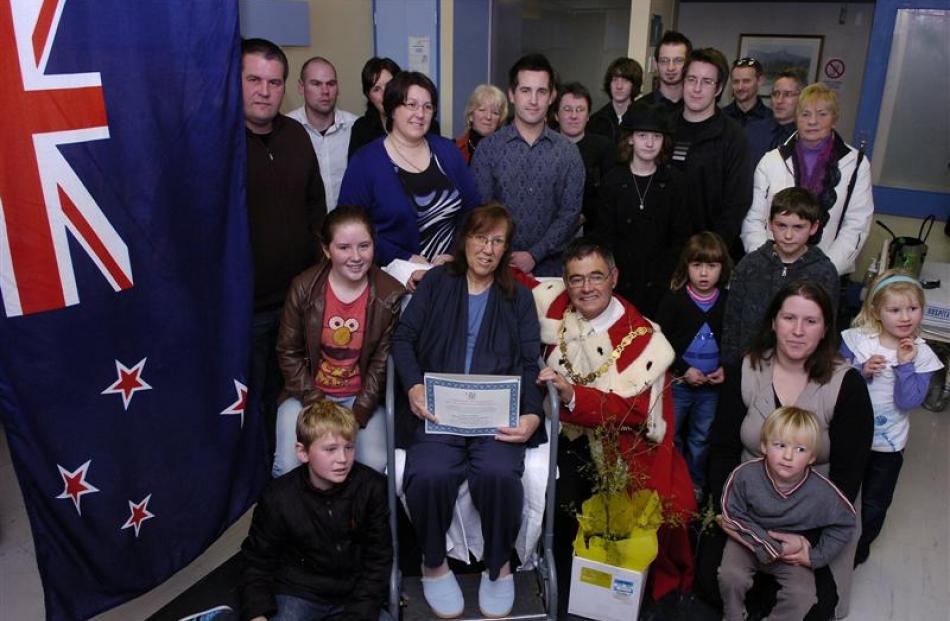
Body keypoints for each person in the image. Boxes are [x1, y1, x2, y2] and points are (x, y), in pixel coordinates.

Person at [390, 203, 545, 619]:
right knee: (428, 474)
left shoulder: (519, 297)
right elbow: (403, 340)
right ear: (465, 240)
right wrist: (414, 385)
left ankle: (499, 567)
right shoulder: (439, 282)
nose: (488, 249)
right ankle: (434, 564)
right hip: (440, 414)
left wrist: (531, 416)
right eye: (481, 237)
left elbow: (533, 363)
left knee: (497, 473)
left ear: (506, 248)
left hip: (496, 418)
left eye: (498, 241)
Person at [532, 238, 696, 615]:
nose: (586, 288)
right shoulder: (553, 305)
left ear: (614, 278)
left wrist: (573, 396)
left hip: (620, 445)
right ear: (565, 281)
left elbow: (638, 414)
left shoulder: (642, 338)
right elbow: (505, 276)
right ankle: (557, 592)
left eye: (596, 277)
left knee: (637, 512)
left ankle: (603, 600)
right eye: (576, 280)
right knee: (549, 495)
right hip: (559, 432)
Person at [698, 280, 873, 620]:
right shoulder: (748, 368)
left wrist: (808, 539)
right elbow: (722, 448)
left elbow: (850, 472)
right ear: (773, 322)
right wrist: (729, 509)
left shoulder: (846, 384)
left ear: (825, 329)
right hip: (747, 505)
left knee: (815, 606)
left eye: (810, 321)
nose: (797, 331)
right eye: (789, 318)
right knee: (711, 584)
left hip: (814, 511)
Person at [273, 206, 406, 477]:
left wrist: (356, 415)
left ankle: (356, 520)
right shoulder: (304, 287)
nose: (356, 257)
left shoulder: (390, 294)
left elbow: (382, 365)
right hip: (307, 395)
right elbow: (288, 351)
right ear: (326, 250)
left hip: (361, 400)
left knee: (372, 467)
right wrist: (317, 403)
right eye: (344, 247)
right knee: (287, 466)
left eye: (364, 246)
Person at [243, 38, 327, 451]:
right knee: (252, 401)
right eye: (254, 79)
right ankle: (261, 484)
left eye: (274, 82)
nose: (264, 90)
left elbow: (317, 210)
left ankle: (290, 473)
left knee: (295, 397)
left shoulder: (296, 136)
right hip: (246, 309)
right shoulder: (218, 144)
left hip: (299, 300)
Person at [240, 401, 392, 621]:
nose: (342, 459)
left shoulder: (371, 487)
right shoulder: (278, 496)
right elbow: (257, 560)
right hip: (301, 593)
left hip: (356, 593)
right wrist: (257, 613)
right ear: (303, 452)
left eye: (349, 447)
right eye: (330, 449)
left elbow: (378, 560)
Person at [338, 71, 480, 289]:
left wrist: (455, 253)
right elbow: (349, 229)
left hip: (451, 275)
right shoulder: (365, 163)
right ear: (392, 109)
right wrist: (404, 258)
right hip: (394, 282)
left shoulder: (447, 151)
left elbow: (473, 209)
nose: (420, 114)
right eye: (411, 105)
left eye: (428, 106)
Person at [840, 271, 943, 565]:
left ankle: (859, 548)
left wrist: (904, 366)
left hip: (888, 446)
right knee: (843, 489)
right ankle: (833, 540)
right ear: (876, 310)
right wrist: (861, 372)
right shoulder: (858, 341)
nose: (905, 317)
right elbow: (834, 383)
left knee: (875, 501)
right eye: (894, 309)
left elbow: (908, 401)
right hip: (850, 437)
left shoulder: (921, 353)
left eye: (913, 308)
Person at [718, 407, 857, 621]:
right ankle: (733, 616)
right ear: (764, 446)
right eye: (780, 445)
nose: (788, 456)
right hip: (748, 540)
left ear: (812, 457)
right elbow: (731, 511)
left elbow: (846, 522)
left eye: (800, 449)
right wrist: (765, 543)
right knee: (730, 576)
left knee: (804, 596)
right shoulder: (745, 475)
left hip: (789, 554)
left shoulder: (822, 492)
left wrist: (814, 556)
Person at [741, 83, 873, 276]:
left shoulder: (856, 164)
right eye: (805, 114)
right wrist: (769, 264)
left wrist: (825, 270)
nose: (813, 121)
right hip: (771, 271)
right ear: (796, 118)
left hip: (826, 273)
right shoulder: (771, 161)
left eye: (822, 114)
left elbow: (856, 225)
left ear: (834, 119)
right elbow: (753, 219)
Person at [471, 53, 585, 277]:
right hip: (496, 267)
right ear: (512, 95)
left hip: (552, 271)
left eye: (541, 91)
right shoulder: (488, 149)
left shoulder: (568, 153)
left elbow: (570, 214)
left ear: (552, 96)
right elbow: (482, 211)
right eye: (525, 90)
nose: (533, 100)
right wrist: (506, 256)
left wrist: (534, 255)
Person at [721, 187, 839, 366]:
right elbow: (731, 321)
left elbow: (828, 327)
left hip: (802, 369)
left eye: (798, 227)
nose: (788, 235)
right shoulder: (750, 265)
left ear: (814, 227)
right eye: (781, 225)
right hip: (750, 364)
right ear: (770, 224)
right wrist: (729, 366)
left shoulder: (824, 272)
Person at [592, 102, 689, 317]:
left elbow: (680, 237)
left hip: (662, 284)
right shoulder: (613, 181)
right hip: (620, 282)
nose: (649, 143)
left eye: (656, 137)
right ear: (630, 138)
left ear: (664, 142)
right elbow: (604, 236)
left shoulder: (675, 182)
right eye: (643, 135)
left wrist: (671, 276)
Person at [655, 231, 732, 500]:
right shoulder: (674, 299)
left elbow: (731, 340)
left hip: (711, 387)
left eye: (711, 266)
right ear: (686, 266)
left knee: (701, 438)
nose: (703, 273)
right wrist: (683, 369)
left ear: (722, 269)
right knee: (672, 435)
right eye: (697, 265)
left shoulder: (726, 301)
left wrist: (725, 367)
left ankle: (696, 484)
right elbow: (660, 341)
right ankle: (671, 482)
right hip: (679, 384)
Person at [670, 48, 752, 251]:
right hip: (663, 250)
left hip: (710, 254)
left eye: (706, 82)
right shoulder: (664, 128)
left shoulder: (733, 137)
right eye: (691, 79)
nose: (696, 89)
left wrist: (711, 253)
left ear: (718, 89)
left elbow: (736, 203)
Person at [287, 56, 358, 211]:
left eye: (331, 84)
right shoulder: (286, 130)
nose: (325, 91)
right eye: (316, 84)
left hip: (346, 226)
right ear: (301, 87)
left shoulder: (355, 128)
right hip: (304, 228)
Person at [554, 82, 615, 232]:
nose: (574, 116)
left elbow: (610, 194)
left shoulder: (604, 148)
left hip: (593, 230)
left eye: (580, 110)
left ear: (588, 116)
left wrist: (585, 215)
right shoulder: (545, 148)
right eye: (567, 109)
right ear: (556, 115)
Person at [744, 68, 804, 166]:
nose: (779, 101)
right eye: (776, 94)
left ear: (802, 98)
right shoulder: (752, 130)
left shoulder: (807, 137)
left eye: (787, 94)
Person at [347, 57, 399, 158]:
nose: (385, 94)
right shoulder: (361, 129)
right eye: (376, 89)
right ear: (369, 97)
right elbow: (355, 171)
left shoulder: (421, 121)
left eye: (389, 85)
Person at [588, 57, 643, 143]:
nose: (619, 86)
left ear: (634, 85)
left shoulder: (643, 119)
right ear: (609, 84)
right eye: (614, 80)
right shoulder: (596, 121)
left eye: (625, 80)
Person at [637, 31, 692, 111]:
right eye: (664, 61)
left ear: (689, 63)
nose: (670, 68)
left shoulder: (697, 108)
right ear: (655, 64)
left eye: (678, 60)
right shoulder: (638, 110)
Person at [454, 84, 507, 164]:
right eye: (482, 110)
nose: (488, 117)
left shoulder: (509, 150)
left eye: (495, 113)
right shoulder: (454, 148)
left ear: (500, 119)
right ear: (471, 115)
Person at [721, 57, 770, 128]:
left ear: (760, 81)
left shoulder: (773, 120)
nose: (740, 87)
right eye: (736, 81)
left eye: (746, 81)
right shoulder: (719, 118)